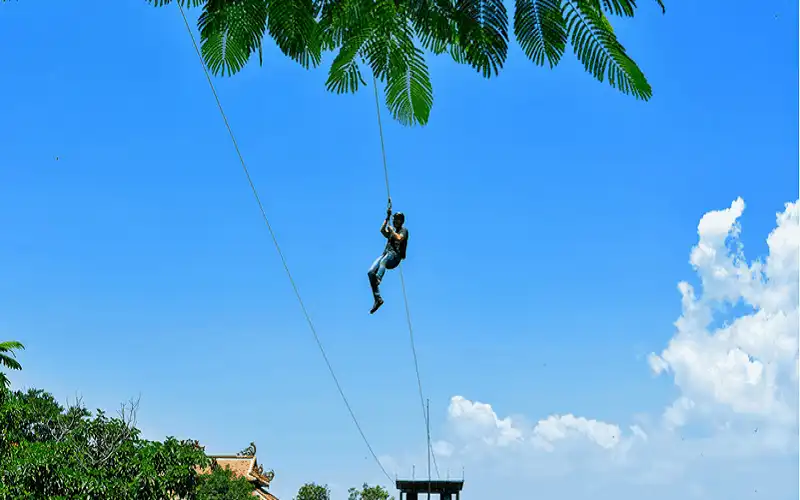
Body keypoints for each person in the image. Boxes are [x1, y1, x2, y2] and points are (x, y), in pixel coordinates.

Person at [367, 203, 408, 314]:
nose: (395, 221)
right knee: (370, 272)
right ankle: (377, 299)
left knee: (383, 261)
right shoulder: (392, 230)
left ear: (401, 221)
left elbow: (399, 238)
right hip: (385, 254)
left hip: (395, 257)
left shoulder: (403, 230)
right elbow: (382, 230)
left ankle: (378, 278)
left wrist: (392, 231)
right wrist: (387, 217)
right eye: (395, 219)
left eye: (397, 219)